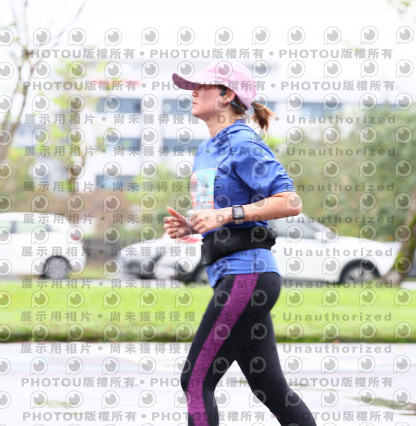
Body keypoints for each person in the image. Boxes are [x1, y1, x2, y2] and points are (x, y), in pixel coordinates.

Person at [163, 61, 317, 426]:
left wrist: (226, 215)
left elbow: (290, 202)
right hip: (234, 276)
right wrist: (193, 225)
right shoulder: (207, 149)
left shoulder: (243, 143)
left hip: (248, 275)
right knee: (269, 387)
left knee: (195, 381)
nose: (193, 92)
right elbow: (218, 214)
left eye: (201, 86)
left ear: (226, 95)